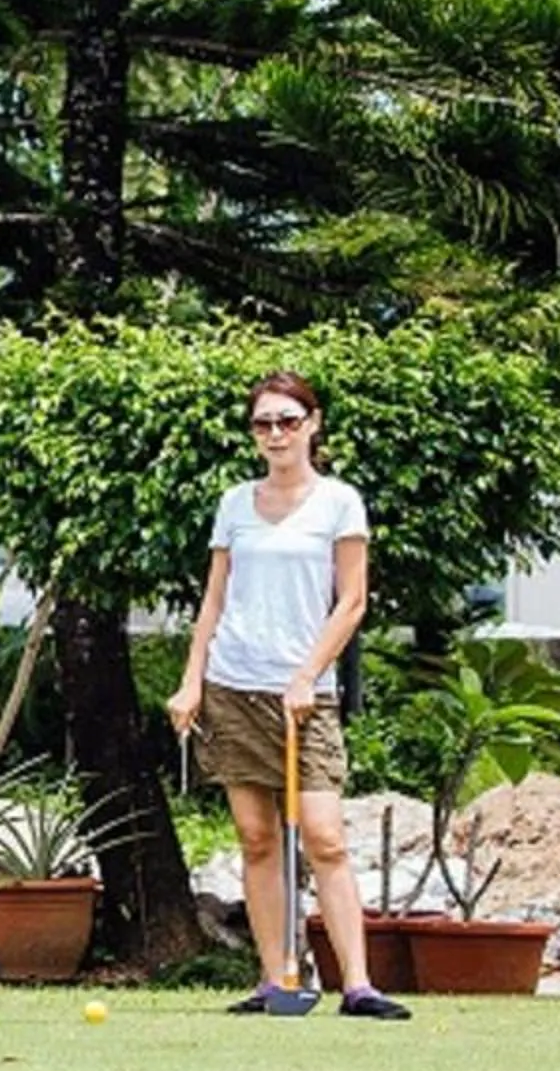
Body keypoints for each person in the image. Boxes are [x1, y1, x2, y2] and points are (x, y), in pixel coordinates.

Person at [167, 371, 411, 1021]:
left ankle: (357, 984)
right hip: (234, 682)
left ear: (312, 424)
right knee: (255, 836)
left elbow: (352, 600)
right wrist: (192, 679)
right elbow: (215, 598)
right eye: (263, 423)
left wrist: (307, 674)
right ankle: (275, 977)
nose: (275, 433)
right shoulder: (235, 504)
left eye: (287, 420)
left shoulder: (339, 502)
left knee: (325, 836)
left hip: (306, 693)